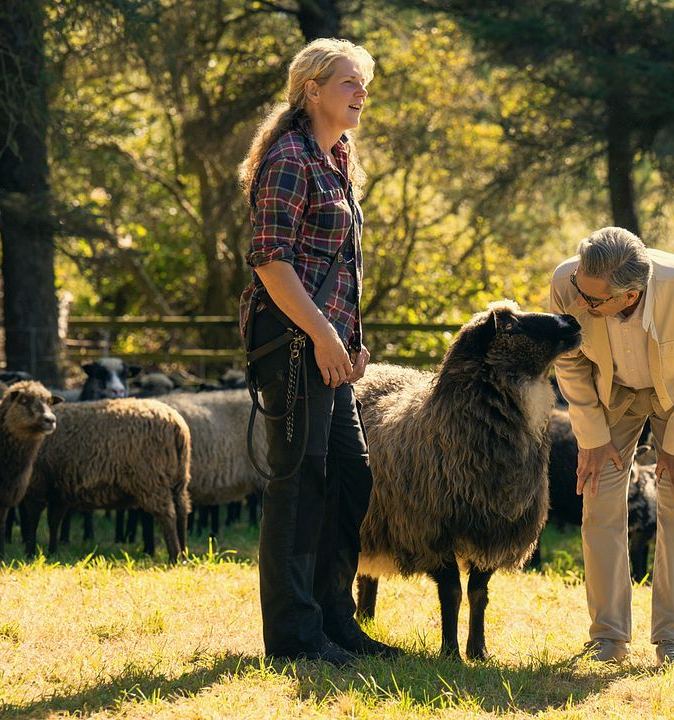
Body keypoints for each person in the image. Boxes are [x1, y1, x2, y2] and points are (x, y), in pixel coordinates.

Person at [237, 38, 399, 664]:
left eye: (364, 83)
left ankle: (334, 621)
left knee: (349, 479)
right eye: (349, 83)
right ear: (312, 89)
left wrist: (350, 343)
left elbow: (341, 267)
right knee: (299, 485)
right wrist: (324, 336)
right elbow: (271, 261)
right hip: (291, 345)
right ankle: (294, 638)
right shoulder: (289, 157)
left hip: (330, 349)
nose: (362, 93)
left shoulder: (338, 156)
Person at [549, 226, 674, 666]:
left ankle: (673, 641)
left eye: (593, 300)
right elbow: (569, 362)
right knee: (598, 498)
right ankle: (608, 638)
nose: (581, 302)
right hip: (610, 396)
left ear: (629, 295)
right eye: (578, 288)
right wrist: (592, 438)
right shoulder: (567, 283)